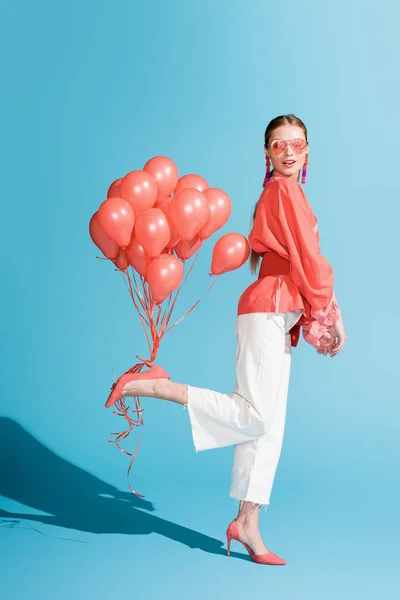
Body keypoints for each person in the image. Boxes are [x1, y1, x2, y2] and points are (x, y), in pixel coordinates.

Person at [105, 114, 347, 565]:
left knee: (268, 426)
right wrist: (329, 313)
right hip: (267, 311)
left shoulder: (286, 193)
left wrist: (320, 311)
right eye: (279, 146)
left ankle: (248, 524)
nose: (289, 152)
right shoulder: (284, 190)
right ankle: (154, 385)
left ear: (308, 150)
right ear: (267, 154)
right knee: (254, 416)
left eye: (297, 144)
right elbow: (311, 261)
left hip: (276, 310)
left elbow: (303, 261)